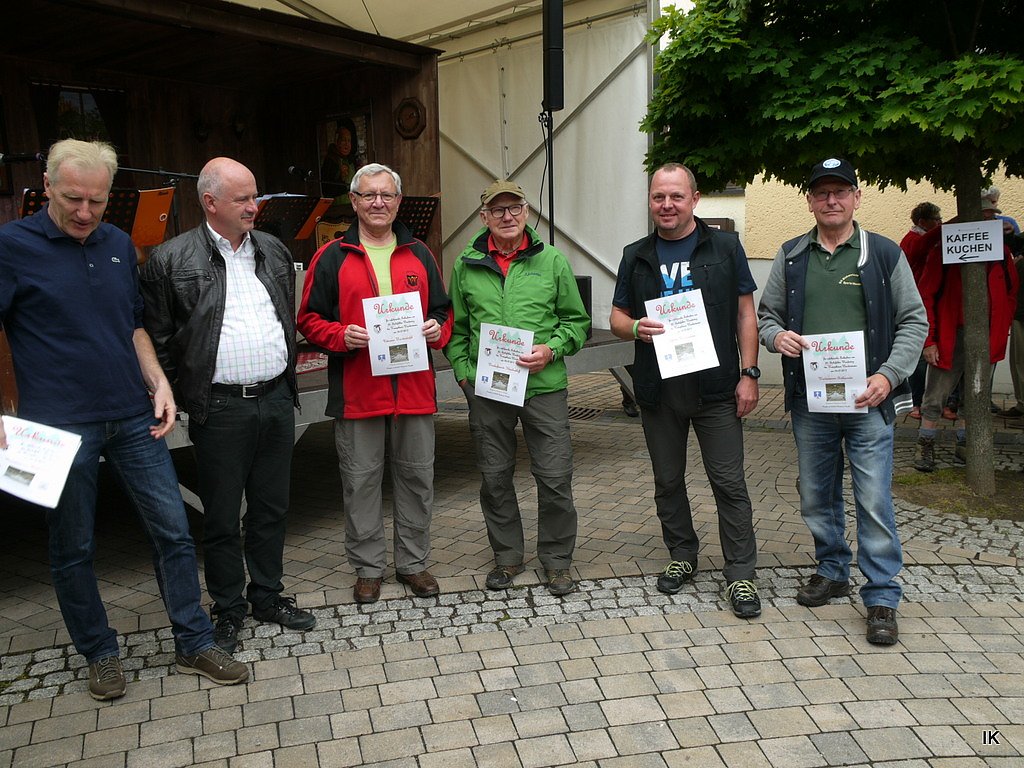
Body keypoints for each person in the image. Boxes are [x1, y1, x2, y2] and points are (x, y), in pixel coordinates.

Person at [0, 139, 248, 700]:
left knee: (173, 532)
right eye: (73, 199)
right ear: (46, 187)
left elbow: (133, 325)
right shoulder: (11, 246)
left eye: (96, 200)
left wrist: (159, 383)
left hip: (133, 417)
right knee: (73, 547)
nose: (85, 212)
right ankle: (100, 653)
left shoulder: (116, 243)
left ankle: (194, 640)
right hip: (57, 429)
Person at [140, 157, 316, 654]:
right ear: (210, 202)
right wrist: (180, 394)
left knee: (271, 508)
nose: (254, 206)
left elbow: (283, 315)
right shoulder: (171, 260)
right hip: (221, 408)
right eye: (243, 198)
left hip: (275, 398)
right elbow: (157, 338)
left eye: (255, 196)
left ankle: (268, 595)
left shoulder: (272, 250)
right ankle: (228, 607)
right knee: (220, 516)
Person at [758, 157, 928, 645]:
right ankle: (833, 570)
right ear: (810, 201)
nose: (830, 200)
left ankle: (881, 596)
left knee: (873, 500)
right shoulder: (791, 255)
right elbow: (767, 316)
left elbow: (914, 321)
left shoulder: (883, 254)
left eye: (840, 192)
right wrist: (776, 338)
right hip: (812, 404)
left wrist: (888, 376)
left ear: (857, 197)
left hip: (868, 401)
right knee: (816, 494)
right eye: (821, 193)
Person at [609, 163, 762, 619]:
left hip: (717, 389)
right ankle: (682, 554)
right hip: (659, 390)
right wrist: (635, 328)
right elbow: (617, 317)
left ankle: (741, 575)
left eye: (676, 196)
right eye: (659, 196)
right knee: (668, 480)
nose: (667, 205)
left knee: (729, 482)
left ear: (694, 199)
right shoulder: (635, 254)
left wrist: (750, 373)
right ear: (650, 200)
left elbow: (745, 314)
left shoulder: (726, 247)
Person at [297, 163, 452, 604]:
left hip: (414, 389)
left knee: (417, 478)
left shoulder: (420, 254)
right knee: (360, 482)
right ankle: (368, 568)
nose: (378, 202)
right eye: (369, 195)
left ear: (399, 201)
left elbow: (443, 312)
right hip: (358, 390)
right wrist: (339, 335)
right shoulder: (332, 256)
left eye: (386, 195)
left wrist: (436, 330)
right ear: (355, 201)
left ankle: (413, 563)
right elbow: (308, 318)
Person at [446, 180, 590, 596]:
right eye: (498, 210)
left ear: (526, 212)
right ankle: (507, 557)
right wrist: (464, 374)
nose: (507, 216)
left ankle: (557, 561)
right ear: (484, 217)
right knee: (494, 476)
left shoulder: (552, 261)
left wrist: (552, 349)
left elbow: (576, 322)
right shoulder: (466, 265)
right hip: (488, 390)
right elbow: (456, 328)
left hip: (544, 387)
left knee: (555, 476)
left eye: (514, 208)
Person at [912, 198, 1019, 470]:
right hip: (951, 335)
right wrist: (930, 340)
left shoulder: (1001, 252)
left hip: (986, 335)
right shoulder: (945, 248)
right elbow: (926, 296)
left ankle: (964, 444)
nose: (989, 220)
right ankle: (925, 444)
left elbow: (1011, 292)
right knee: (935, 395)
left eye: (992, 215)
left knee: (975, 395)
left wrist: (1002, 324)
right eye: (984, 214)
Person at [900, 202, 943, 419]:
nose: (939, 222)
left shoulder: (925, 238)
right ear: (922, 222)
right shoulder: (913, 240)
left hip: (928, 300)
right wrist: (951, 226)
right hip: (916, 303)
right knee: (918, 356)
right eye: (936, 219)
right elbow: (923, 245)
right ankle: (914, 402)